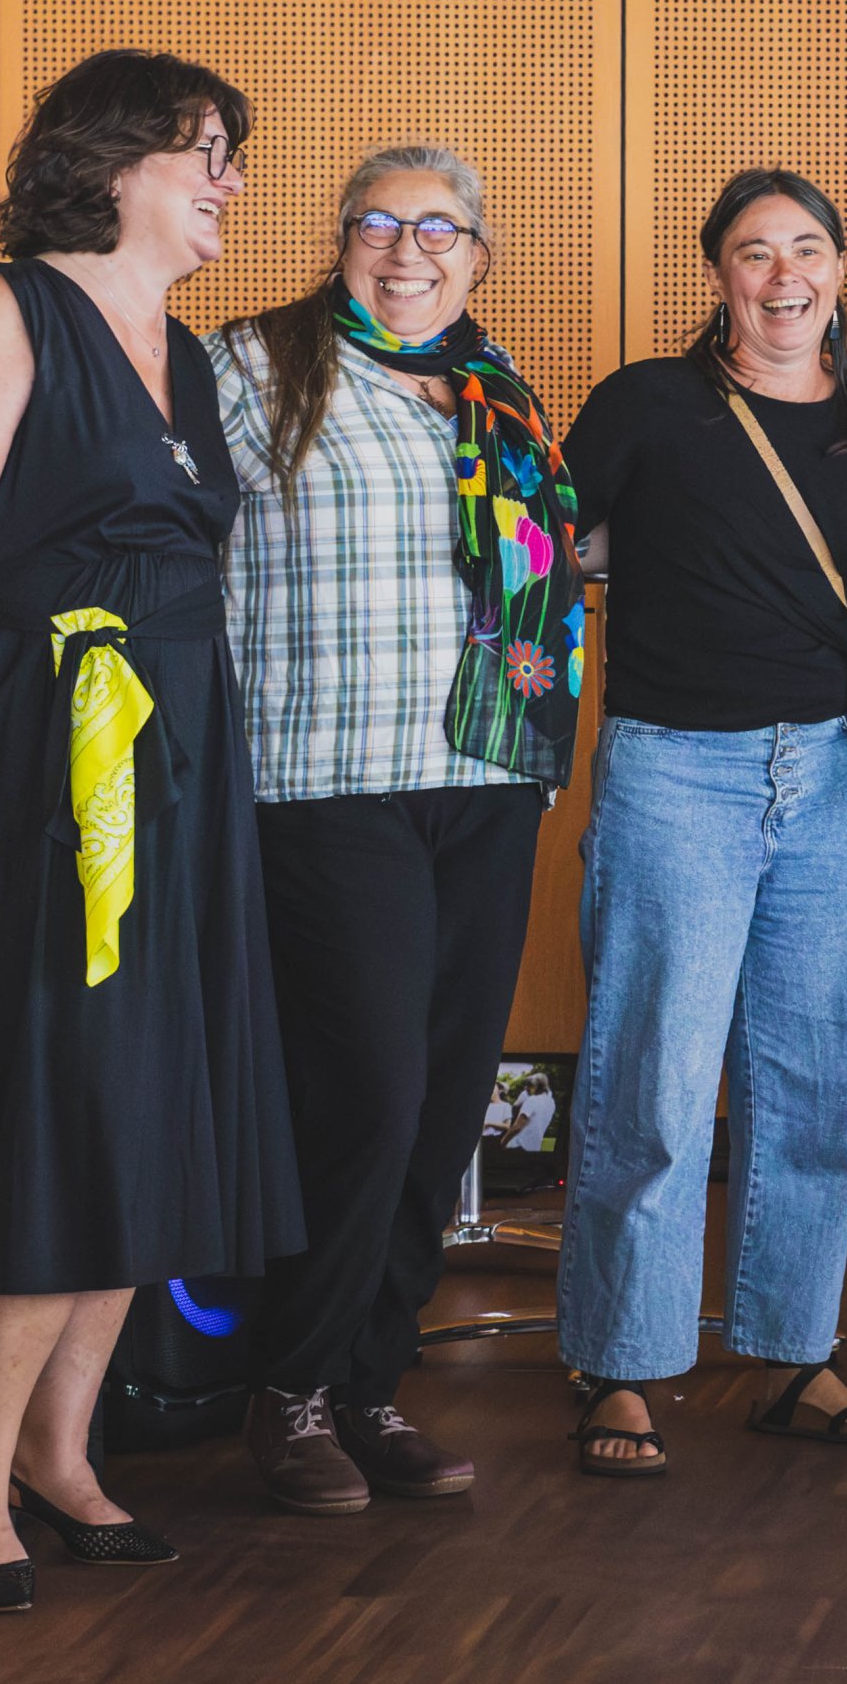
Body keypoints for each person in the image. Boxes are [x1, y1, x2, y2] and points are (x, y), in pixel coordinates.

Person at [0, 50, 293, 1608]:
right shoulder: (1, 307)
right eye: (206, 151)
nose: (230, 179)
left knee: (148, 1104)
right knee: (52, 1106)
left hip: (171, 763)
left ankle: (61, 1448)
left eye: (232, 153)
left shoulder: (177, 345)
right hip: (40, 758)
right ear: (112, 161)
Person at [209, 143, 585, 1512]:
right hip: (324, 781)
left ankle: (370, 1386)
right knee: (361, 1092)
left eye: (440, 229)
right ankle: (289, 1388)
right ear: (340, 235)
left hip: (487, 781)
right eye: (378, 221)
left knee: (438, 1104)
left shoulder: (502, 394)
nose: (408, 248)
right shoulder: (253, 369)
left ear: (479, 255)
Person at [557, 169, 847, 1475]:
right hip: (675, 769)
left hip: (820, 776)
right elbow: (553, 544)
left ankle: (793, 1354)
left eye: (805, 248)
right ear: (718, 276)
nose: (782, 276)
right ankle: (623, 1363)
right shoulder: (649, 402)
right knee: (655, 1078)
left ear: (839, 267)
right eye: (753, 253)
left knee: (816, 1084)